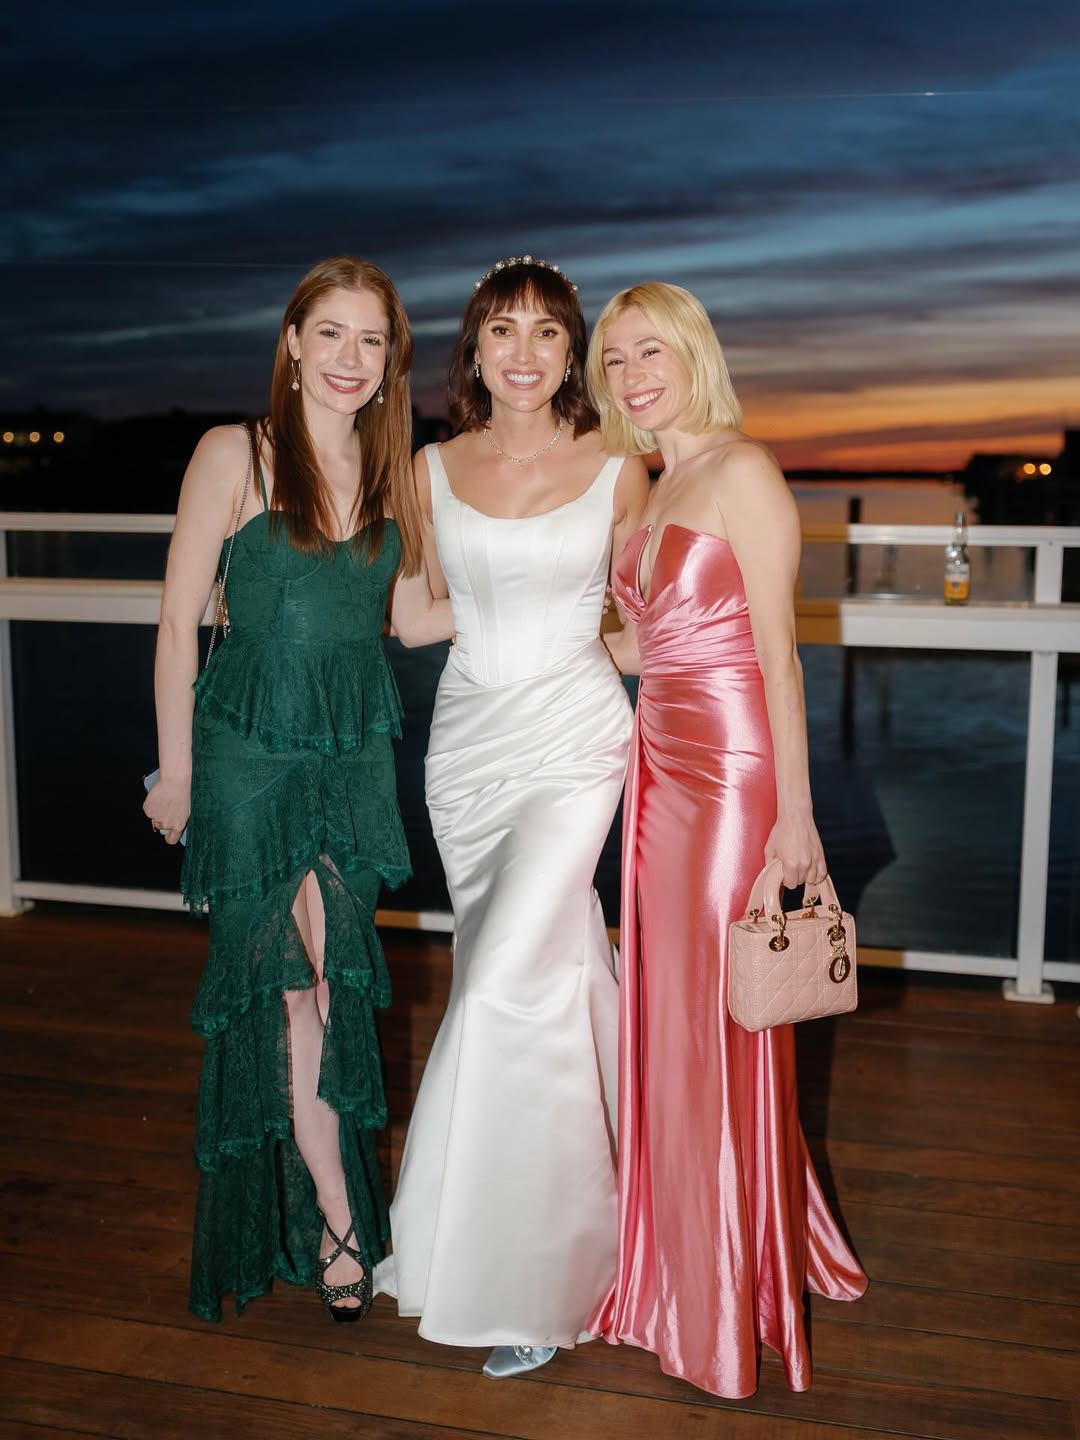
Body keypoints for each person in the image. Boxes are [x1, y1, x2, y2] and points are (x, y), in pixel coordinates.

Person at [143, 256, 453, 1324]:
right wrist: (176, 771)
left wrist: (558, 602)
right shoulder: (234, 453)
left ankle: (332, 1209)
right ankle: (340, 1216)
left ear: (391, 360)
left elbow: (414, 618)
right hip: (246, 756)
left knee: (331, 986)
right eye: (331, 333)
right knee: (287, 985)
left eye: (372, 339)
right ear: (292, 342)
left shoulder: (397, 473)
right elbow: (177, 621)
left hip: (352, 758)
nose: (349, 358)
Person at [586, 282, 867, 1397]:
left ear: (694, 354)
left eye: (650, 351)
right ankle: (678, 1255)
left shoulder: (744, 470)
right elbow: (637, 647)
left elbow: (780, 658)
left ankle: (720, 1291)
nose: (632, 376)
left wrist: (796, 818)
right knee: (667, 1014)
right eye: (614, 360)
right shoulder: (649, 484)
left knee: (719, 1020)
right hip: (656, 773)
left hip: (735, 776)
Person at [374, 257, 649, 1378]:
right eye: (503, 331)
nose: (524, 352)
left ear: (571, 351)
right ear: (475, 351)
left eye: (545, 332)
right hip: (469, 752)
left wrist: (578, 634)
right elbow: (411, 617)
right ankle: (614, 1219)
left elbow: (649, 622)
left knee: (499, 987)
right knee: (545, 973)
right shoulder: (429, 468)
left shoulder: (619, 463)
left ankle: (533, 1281)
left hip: (577, 741)